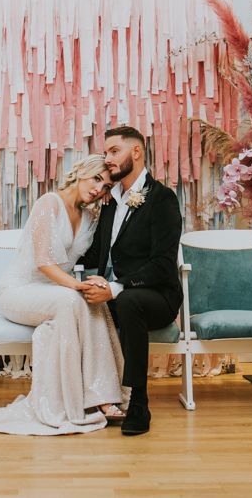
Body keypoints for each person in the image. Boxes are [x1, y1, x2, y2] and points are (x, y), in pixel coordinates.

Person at [0, 155, 128, 435]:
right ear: (81, 173)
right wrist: (76, 286)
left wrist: (95, 283)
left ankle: (103, 395)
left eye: (105, 187)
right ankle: (74, 401)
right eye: (96, 179)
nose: (98, 189)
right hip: (19, 291)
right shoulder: (48, 203)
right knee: (73, 298)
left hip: (55, 291)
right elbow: (43, 262)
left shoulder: (91, 216)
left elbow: (96, 258)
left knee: (96, 302)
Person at [82, 126, 183, 436]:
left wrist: (115, 287)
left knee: (128, 300)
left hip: (156, 296)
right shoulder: (110, 201)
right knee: (73, 301)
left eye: (114, 151)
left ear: (136, 153)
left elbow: (164, 265)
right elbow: (95, 253)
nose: (107, 159)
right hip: (114, 295)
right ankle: (93, 396)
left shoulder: (162, 198)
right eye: (106, 152)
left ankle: (138, 401)